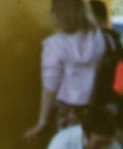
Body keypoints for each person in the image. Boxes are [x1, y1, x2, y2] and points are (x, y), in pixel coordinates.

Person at [24, 0, 106, 140]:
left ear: (62, 14)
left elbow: (50, 87)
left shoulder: (54, 44)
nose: (51, 15)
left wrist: (42, 122)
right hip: (93, 109)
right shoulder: (97, 37)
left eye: (54, 11)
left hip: (65, 112)